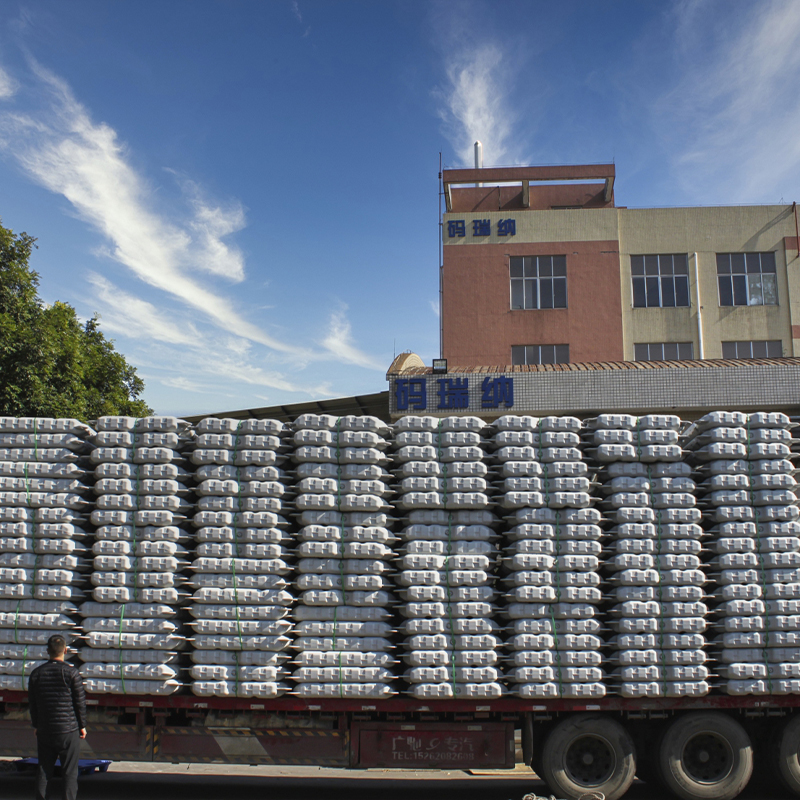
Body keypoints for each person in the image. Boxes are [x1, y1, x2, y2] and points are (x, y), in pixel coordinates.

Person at [27, 634, 87, 800]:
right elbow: (80, 702)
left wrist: (36, 725)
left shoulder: (36, 674)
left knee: (44, 770)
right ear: (65, 650)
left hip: (45, 730)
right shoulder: (72, 673)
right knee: (69, 772)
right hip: (69, 730)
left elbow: (33, 703)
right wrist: (82, 725)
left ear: (47, 651)